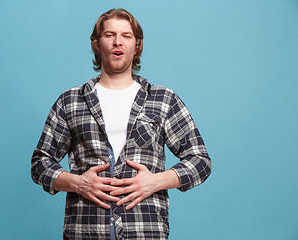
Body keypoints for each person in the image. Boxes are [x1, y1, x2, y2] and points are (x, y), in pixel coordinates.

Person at [31, 8, 211, 240]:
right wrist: (78, 183)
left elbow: (200, 161)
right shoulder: (71, 101)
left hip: (146, 232)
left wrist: (156, 181)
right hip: (84, 232)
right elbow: (40, 163)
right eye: (109, 35)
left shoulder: (163, 99)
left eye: (126, 36)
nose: (118, 42)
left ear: (137, 45)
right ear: (97, 44)